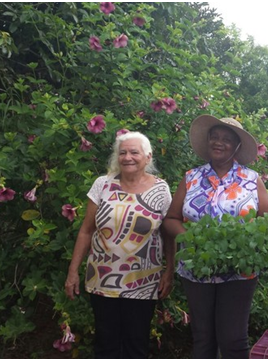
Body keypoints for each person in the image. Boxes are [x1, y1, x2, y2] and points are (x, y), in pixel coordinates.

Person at [162, 115, 268, 358]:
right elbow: (171, 219)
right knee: (203, 338)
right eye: (214, 137)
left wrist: (248, 244)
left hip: (239, 272)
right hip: (197, 269)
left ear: (237, 146)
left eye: (227, 139)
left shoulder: (252, 180)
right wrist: (192, 239)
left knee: (233, 339)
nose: (219, 143)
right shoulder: (191, 178)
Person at [64, 131, 173, 358]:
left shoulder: (161, 190)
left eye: (134, 152)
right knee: (106, 342)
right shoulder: (103, 184)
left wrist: (169, 272)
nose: (127, 157)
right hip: (103, 277)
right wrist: (73, 271)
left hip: (143, 280)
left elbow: (168, 236)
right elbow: (86, 231)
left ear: (148, 157)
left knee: (137, 343)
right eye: (122, 152)